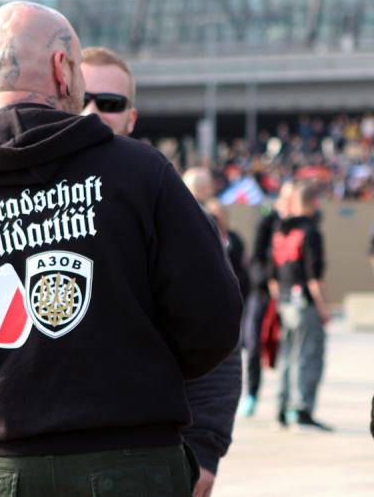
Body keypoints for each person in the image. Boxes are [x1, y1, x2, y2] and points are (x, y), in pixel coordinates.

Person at [0, 1, 242, 497]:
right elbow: (214, 319)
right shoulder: (141, 174)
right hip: (133, 463)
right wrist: (139, 381)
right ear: (63, 69)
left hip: (1, 474)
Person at [83, 47, 243, 497]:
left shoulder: (172, 208)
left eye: (110, 103)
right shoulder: (26, 205)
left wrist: (205, 451)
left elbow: (219, 337)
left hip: (147, 458)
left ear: (130, 118)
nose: (94, 112)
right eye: (82, 98)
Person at [269, 181, 332, 432]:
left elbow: (273, 274)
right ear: (313, 202)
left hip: (285, 301)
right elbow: (314, 276)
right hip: (304, 303)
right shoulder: (310, 231)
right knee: (308, 355)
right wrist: (323, 308)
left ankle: (282, 410)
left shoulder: (280, 230)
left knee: (287, 356)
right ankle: (302, 411)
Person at [240, 181, 294, 418]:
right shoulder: (268, 221)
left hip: (289, 296)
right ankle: (251, 394)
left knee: (289, 350)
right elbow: (256, 261)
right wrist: (268, 282)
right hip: (262, 294)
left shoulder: (303, 224)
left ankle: (288, 404)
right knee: (253, 344)